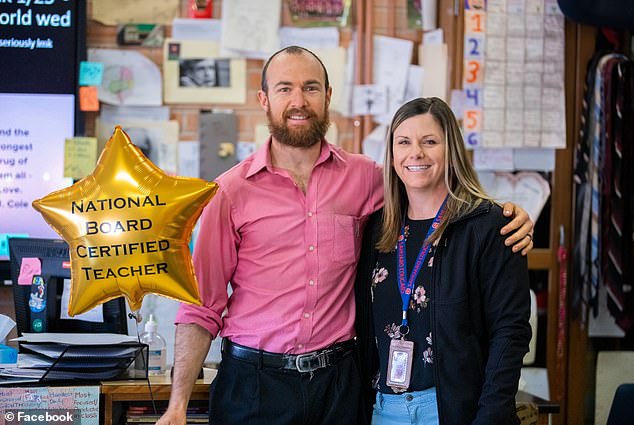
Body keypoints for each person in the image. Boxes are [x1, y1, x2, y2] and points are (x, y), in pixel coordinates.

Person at [156, 47, 533, 425]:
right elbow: (200, 307)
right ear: (264, 100)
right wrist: (177, 405)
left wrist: (507, 214)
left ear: (328, 96)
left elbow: (430, 188)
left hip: (338, 387)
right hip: (255, 385)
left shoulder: (366, 178)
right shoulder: (229, 192)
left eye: (311, 88)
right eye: (285, 89)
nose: (299, 101)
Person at [354, 97, 531, 425]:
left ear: (451, 151)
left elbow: (511, 331)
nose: (415, 153)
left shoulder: (489, 227)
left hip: (453, 410)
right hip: (383, 410)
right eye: (404, 142)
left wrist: (490, 416)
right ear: (392, 156)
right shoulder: (376, 231)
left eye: (430, 141)